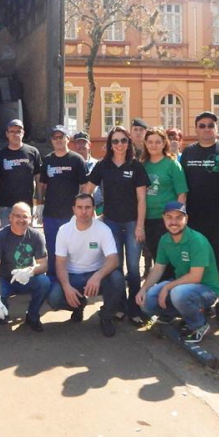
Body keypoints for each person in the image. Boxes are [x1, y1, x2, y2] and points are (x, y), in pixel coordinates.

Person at [179, 112, 219, 329]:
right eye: (202, 126)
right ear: (196, 129)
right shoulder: (187, 152)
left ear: (216, 128)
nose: (207, 129)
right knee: (198, 263)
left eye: (210, 126)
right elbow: (182, 187)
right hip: (195, 221)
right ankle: (201, 303)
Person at [85, 126, 149, 326]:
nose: (119, 144)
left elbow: (142, 199)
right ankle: (119, 306)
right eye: (115, 141)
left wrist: (140, 226)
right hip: (110, 223)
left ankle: (135, 308)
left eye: (123, 140)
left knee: (133, 268)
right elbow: (88, 190)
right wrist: (93, 216)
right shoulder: (103, 165)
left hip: (132, 224)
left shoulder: (136, 166)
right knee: (115, 267)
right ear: (110, 144)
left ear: (128, 143)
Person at [137, 201, 219, 344]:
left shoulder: (197, 241)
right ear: (163, 218)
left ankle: (199, 325)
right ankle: (171, 314)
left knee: (178, 294)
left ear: (186, 219)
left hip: (206, 289)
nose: (174, 222)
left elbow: (196, 276)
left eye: (178, 217)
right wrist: (143, 289)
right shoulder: (165, 240)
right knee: (147, 300)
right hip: (181, 286)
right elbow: (158, 268)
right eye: (169, 217)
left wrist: (167, 287)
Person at [47, 193, 125, 337]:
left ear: (94, 208)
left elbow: (113, 259)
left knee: (117, 279)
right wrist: (66, 287)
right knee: (54, 298)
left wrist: (97, 276)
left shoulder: (103, 229)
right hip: (73, 277)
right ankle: (79, 304)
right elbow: (60, 264)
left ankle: (106, 316)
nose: (84, 212)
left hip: (96, 276)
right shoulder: (64, 230)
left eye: (88, 207)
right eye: (80, 207)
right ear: (74, 209)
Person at [0, 202, 51, 332]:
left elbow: (43, 265)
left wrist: (30, 271)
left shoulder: (36, 236)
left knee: (44, 282)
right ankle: (2, 311)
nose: (21, 220)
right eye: (17, 216)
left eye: (25, 216)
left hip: (25, 279)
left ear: (30, 219)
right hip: (5, 280)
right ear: (10, 217)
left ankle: (32, 316)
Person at [38, 125, 88, 276]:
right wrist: (39, 205)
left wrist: (82, 209)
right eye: (55, 138)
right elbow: (41, 185)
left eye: (61, 137)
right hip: (51, 214)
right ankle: (53, 280)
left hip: (70, 215)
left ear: (68, 139)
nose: (58, 140)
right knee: (52, 249)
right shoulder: (47, 160)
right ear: (52, 141)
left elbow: (84, 187)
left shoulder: (77, 160)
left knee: (73, 250)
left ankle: (74, 280)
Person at [140, 127, 188, 272]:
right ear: (145, 144)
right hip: (148, 219)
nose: (153, 145)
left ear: (164, 143)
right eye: (150, 142)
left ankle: (171, 290)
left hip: (167, 220)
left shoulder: (172, 164)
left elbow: (182, 193)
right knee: (156, 256)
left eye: (157, 142)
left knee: (169, 260)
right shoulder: (142, 165)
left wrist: (177, 219)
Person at [0, 119, 42, 229]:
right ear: (7, 134)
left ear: (23, 133)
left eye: (18, 131)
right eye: (12, 131)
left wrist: (40, 204)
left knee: (25, 242)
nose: (15, 134)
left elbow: (39, 180)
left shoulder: (33, 152)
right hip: (5, 208)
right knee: (6, 242)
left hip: (26, 208)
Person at [71, 131, 103, 213]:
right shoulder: (70, 165)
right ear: (74, 145)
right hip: (75, 208)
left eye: (84, 143)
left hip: (98, 208)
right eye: (78, 143)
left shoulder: (98, 165)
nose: (81, 146)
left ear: (89, 145)